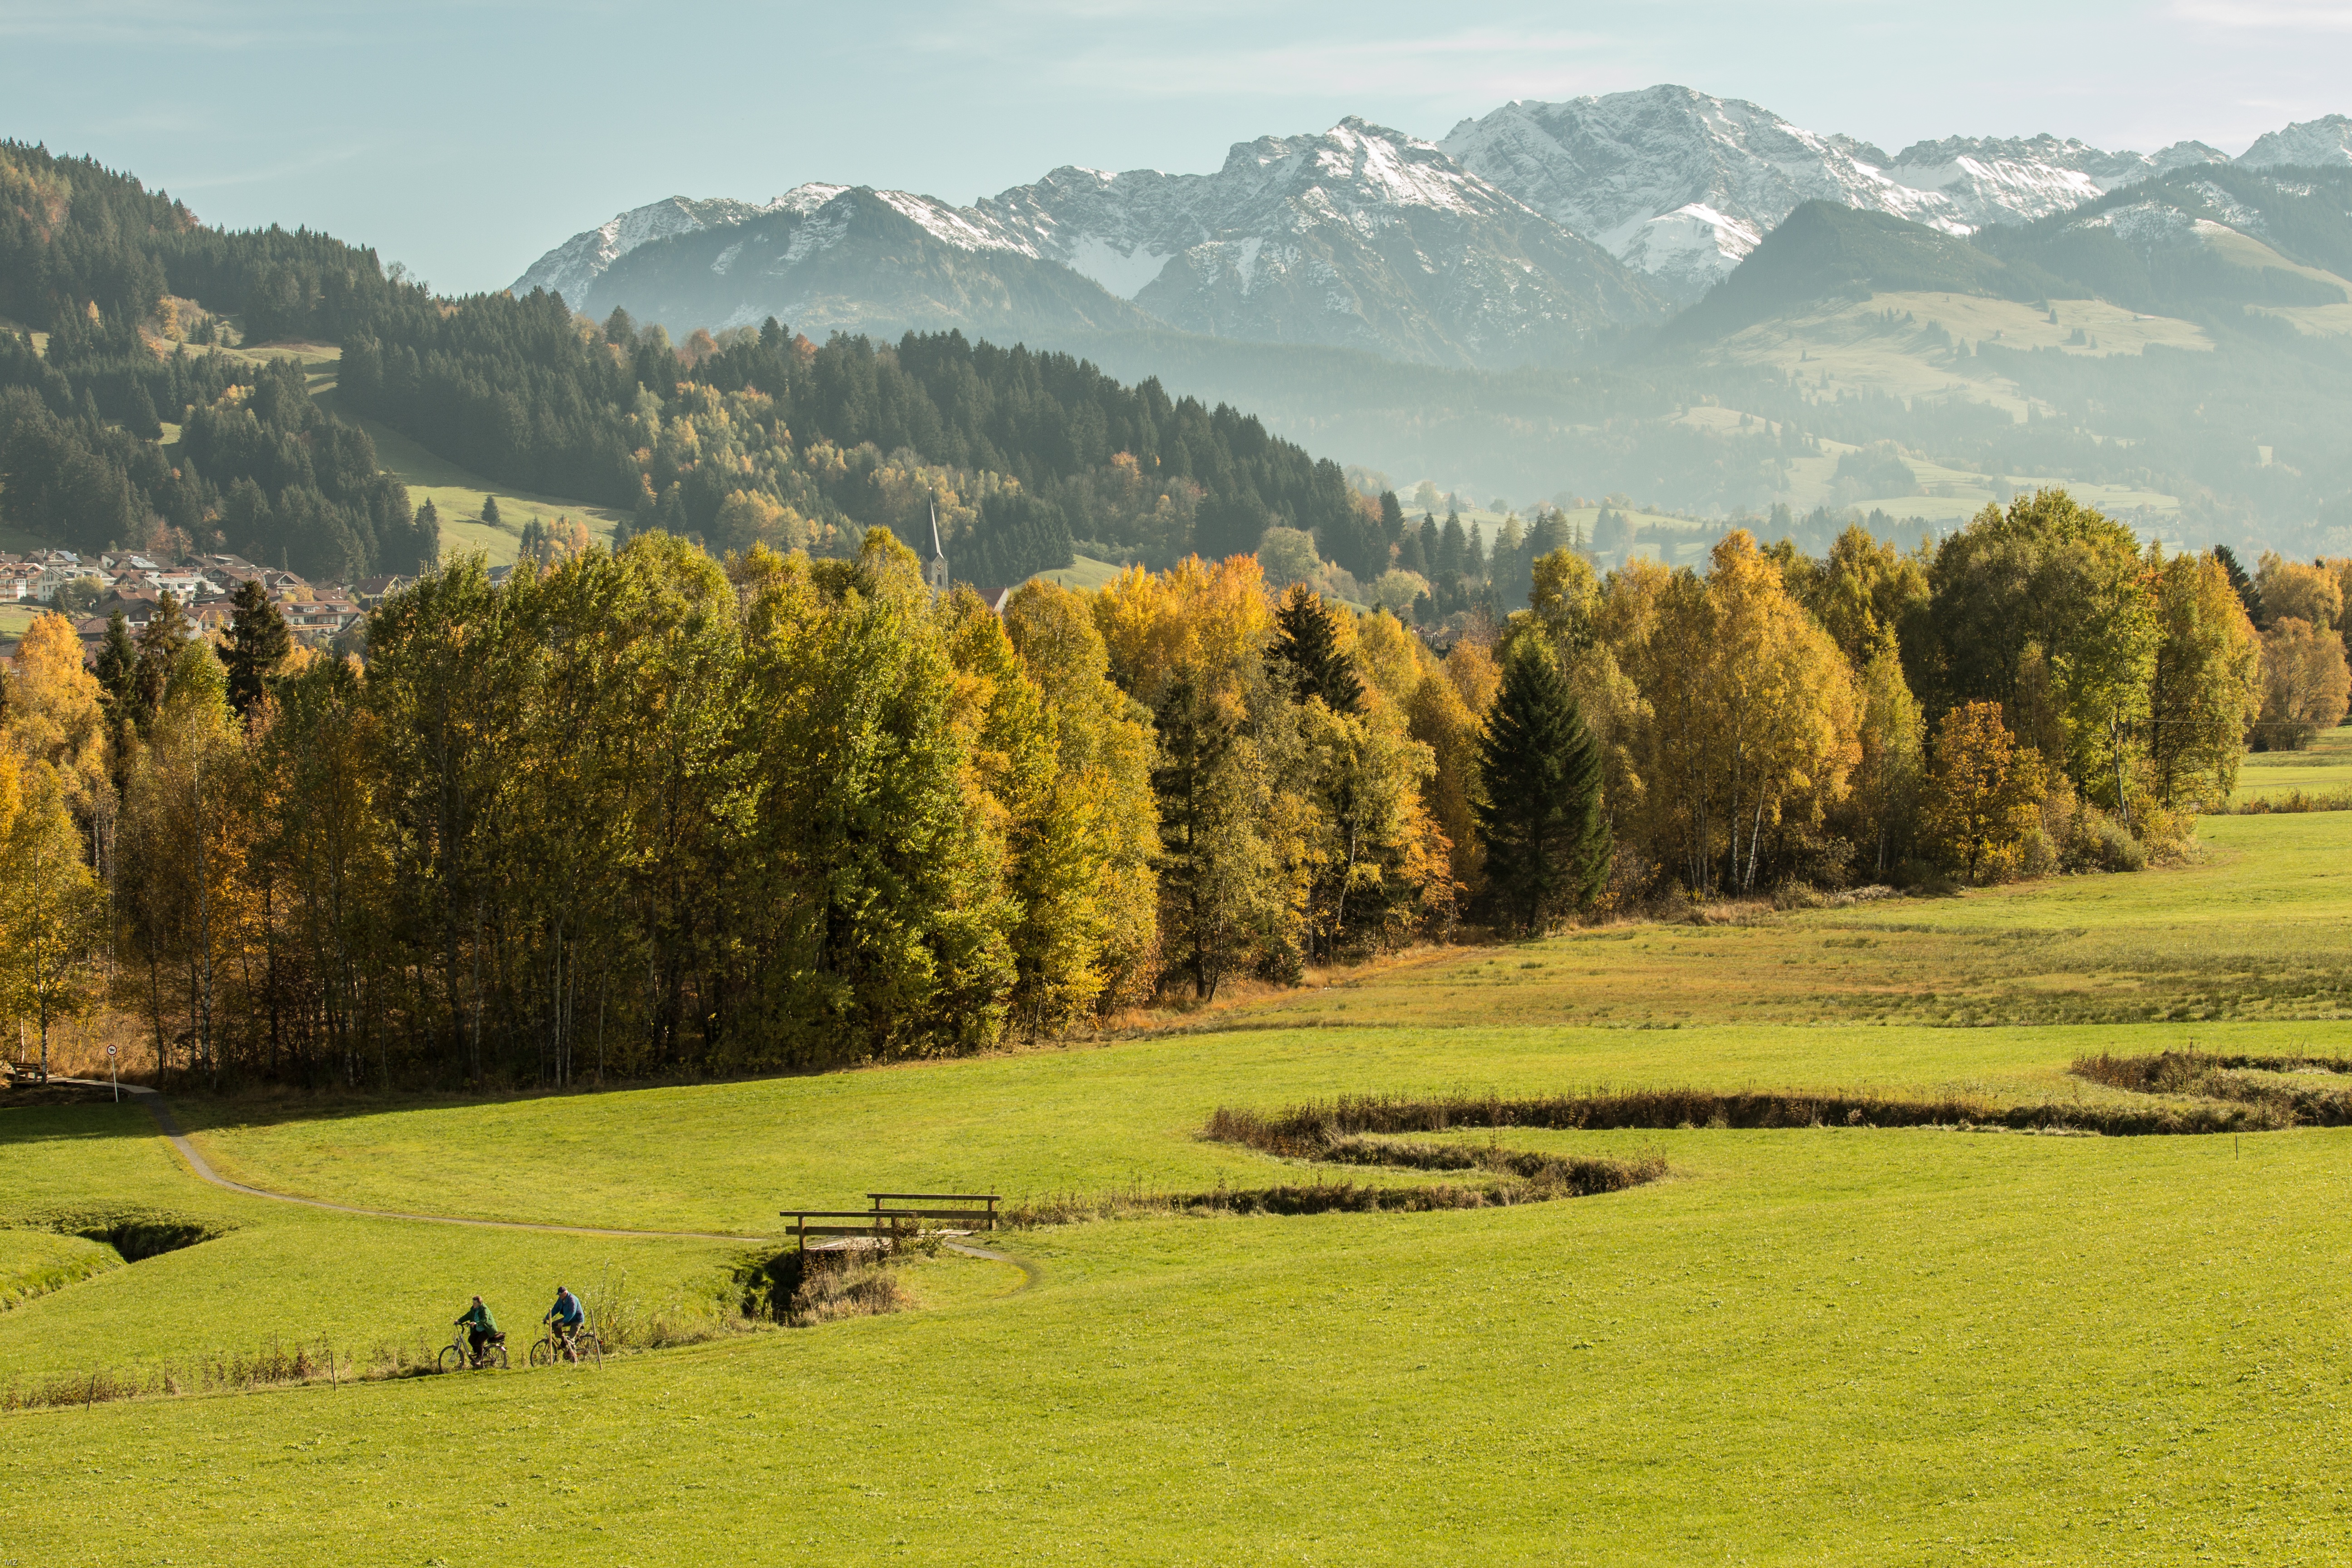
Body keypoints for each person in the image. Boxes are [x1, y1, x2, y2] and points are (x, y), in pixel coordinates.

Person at [544, 1284, 587, 1358]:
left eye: (561, 1295)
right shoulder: (561, 1300)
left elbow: (572, 1313)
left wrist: (563, 1322)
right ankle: (564, 1340)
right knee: (554, 1324)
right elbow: (555, 1309)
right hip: (568, 1318)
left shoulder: (572, 1299)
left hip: (577, 1320)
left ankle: (574, 1358)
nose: (560, 1297)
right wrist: (547, 1318)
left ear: (565, 1294)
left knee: (570, 1340)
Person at [454, 1295, 500, 1362]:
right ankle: (478, 1354)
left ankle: (480, 1358)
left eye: (475, 1304)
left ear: (479, 1303)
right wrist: (459, 1321)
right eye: (473, 1303)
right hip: (479, 1329)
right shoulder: (474, 1310)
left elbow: (485, 1319)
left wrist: (476, 1323)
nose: (474, 1305)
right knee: (471, 1339)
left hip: (487, 1329)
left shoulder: (484, 1309)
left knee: (479, 1342)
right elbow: (467, 1316)